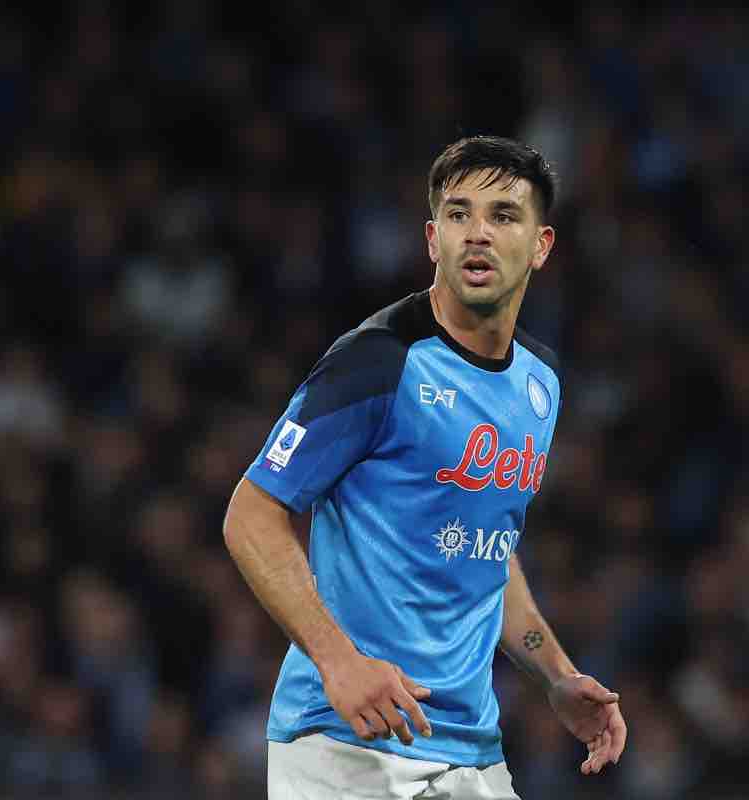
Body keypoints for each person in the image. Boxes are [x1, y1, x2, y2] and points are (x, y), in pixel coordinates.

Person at [223, 135, 627, 799]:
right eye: (460, 215)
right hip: (345, 745)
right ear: (432, 239)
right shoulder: (379, 360)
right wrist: (339, 662)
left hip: (469, 753)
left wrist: (555, 673)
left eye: (503, 216)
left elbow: (487, 548)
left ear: (542, 245)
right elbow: (252, 514)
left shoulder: (540, 381)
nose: (478, 234)